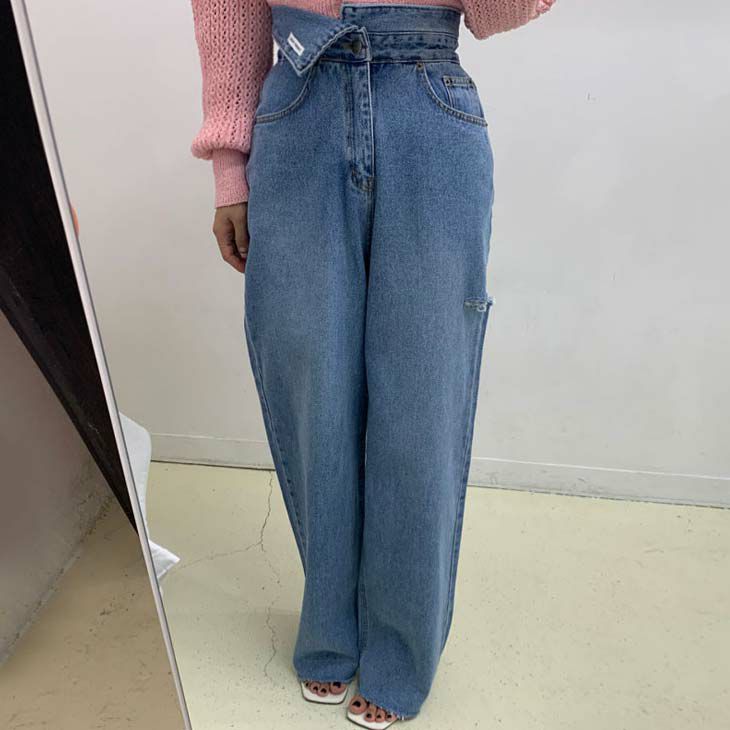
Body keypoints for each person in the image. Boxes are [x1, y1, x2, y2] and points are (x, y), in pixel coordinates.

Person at [190, 0, 555, 727]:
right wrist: (230, 171)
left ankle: (400, 648)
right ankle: (330, 621)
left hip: (427, 103)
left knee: (421, 398)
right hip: (298, 103)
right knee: (312, 389)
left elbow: (504, 11)